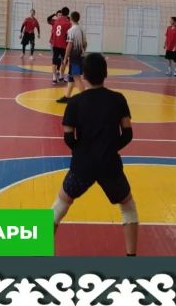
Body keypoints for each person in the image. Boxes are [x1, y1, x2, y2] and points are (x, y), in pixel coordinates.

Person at [52, 53, 138, 256]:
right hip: (109, 165)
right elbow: (127, 134)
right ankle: (131, 257)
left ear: (83, 75)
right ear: (106, 74)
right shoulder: (118, 99)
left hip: (82, 166)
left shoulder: (74, 102)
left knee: (59, 206)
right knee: (128, 207)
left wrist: (83, 150)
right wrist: (109, 147)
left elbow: (68, 137)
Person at [57, 11, 87, 104]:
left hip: (75, 57)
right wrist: (82, 52)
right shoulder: (82, 29)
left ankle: (86, 98)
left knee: (76, 77)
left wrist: (65, 58)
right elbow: (85, 44)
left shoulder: (71, 30)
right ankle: (67, 96)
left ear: (71, 19)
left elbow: (69, 45)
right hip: (80, 56)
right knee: (71, 77)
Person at [49, 7, 71, 84]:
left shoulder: (56, 21)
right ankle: (61, 76)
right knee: (64, 60)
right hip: (64, 45)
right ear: (68, 13)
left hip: (55, 44)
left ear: (62, 12)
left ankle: (54, 78)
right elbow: (68, 35)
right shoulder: (68, 23)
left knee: (54, 61)